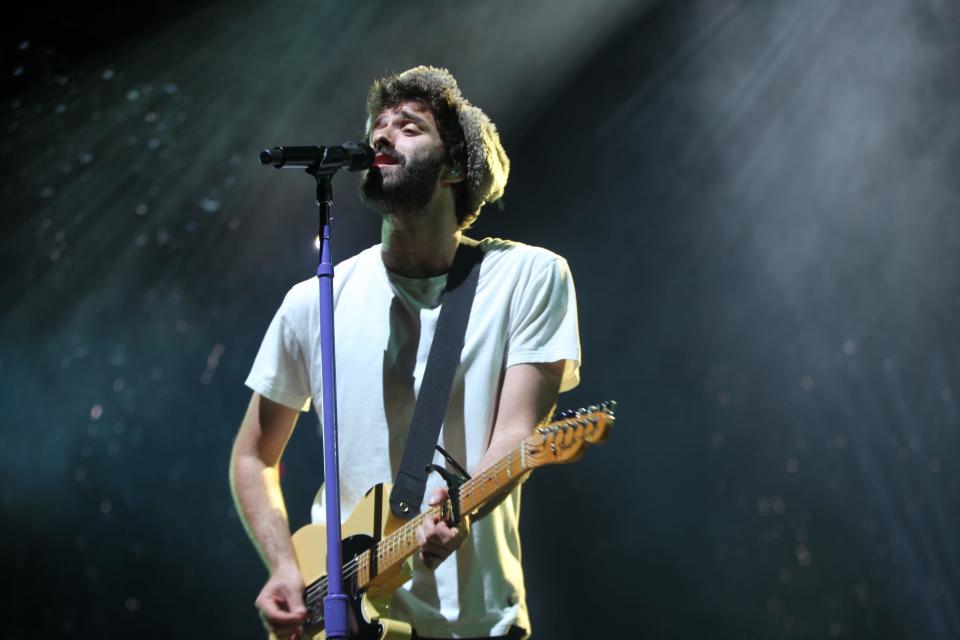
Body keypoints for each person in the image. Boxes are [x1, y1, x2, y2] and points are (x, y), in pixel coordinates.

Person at [230, 66, 581, 640]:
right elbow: (253, 456)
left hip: (475, 624)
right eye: (378, 127)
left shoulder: (528, 276)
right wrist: (284, 565)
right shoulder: (315, 299)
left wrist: (462, 511)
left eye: (409, 126)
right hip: (344, 616)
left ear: (454, 167)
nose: (383, 137)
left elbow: (518, 431)